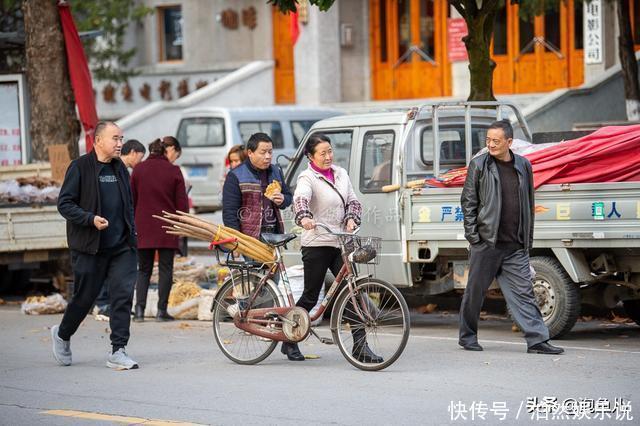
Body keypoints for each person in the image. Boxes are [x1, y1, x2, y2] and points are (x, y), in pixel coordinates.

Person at [458, 119, 564, 355]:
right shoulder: (479, 165)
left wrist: (527, 239)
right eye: (488, 140)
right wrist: (474, 237)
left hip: (514, 244)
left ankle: (537, 341)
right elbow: (468, 202)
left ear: (509, 142)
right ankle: (467, 336)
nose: (491, 145)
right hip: (487, 242)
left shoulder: (523, 165)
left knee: (524, 292)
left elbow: (528, 202)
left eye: (496, 141)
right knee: (475, 292)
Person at [51, 121, 139, 370]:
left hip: (122, 245)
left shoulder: (120, 169)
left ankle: (118, 350)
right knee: (84, 298)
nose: (120, 143)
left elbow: (128, 204)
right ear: (98, 141)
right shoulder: (80, 167)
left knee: (122, 296)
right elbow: (64, 204)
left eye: (121, 138)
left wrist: (132, 231)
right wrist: (89, 219)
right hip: (90, 246)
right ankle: (63, 334)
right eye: (115, 138)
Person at [288, 133, 383, 363]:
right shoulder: (307, 178)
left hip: (341, 241)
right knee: (311, 297)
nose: (328, 156)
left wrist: (351, 218)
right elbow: (300, 199)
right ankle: (289, 339)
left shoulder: (341, 174)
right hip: (318, 243)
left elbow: (354, 200)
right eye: (323, 153)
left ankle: (360, 348)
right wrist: (304, 217)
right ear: (311, 157)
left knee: (351, 294)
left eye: (330, 151)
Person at [131, 138, 189, 322]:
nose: (175, 158)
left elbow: (132, 200)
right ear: (168, 150)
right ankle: (161, 311)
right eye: (175, 154)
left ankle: (139, 311)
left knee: (143, 270)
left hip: (143, 226)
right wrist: (182, 223)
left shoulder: (138, 169)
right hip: (167, 226)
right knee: (165, 269)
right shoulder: (173, 170)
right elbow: (182, 204)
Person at [93, 139, 147, 318]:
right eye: (139, 157)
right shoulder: (112, 169)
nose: (139, 161)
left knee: (117, 271)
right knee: (104, 268)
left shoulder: (123, 171)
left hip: (121, 229)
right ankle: (102, 303)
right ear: (132, 152)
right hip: (105, 227)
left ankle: (112, 304)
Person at [222, 133, 292, 238]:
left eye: (270, 152)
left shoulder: (276, 171)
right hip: (249, 237)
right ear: (250, 153)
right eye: (263, 152)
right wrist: (235, 239)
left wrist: (283, 199)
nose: (268, 156)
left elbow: (288, 196)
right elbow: (229, 212)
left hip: (274, 233)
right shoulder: (235, 175)